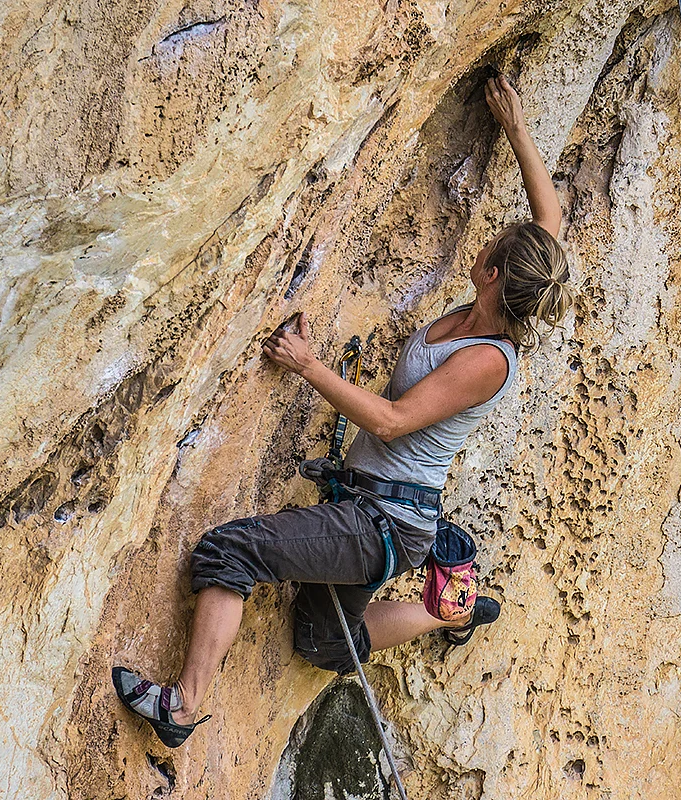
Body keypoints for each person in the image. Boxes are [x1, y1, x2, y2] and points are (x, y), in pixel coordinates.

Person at [113, 74, 574, 748]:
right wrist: (517, 128)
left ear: (493, 275)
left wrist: (308, 365)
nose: (483, 246)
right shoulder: (505, 294)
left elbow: (391, 421)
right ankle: (453, 608)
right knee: (322, 643)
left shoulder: (487, 360)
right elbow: (547, 224)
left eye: (491, 249)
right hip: (383, 514)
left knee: (230, 551)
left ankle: (181, 709)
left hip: (382, 523)